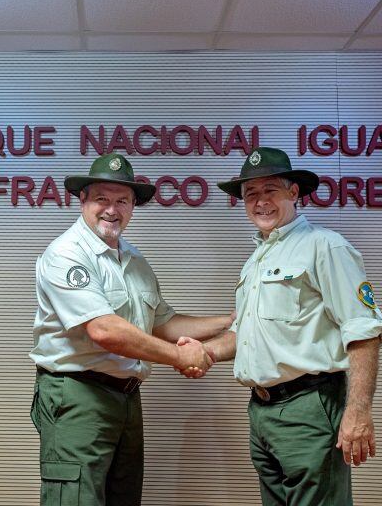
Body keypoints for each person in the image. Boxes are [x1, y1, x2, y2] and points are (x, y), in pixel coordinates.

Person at [30, 153, 233, 506]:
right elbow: (105, 330)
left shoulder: (134, 259)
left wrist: (232, 319)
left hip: (125, 399)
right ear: (83, 200)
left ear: (133, 206)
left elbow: (164, 322)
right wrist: (181, 357)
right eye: (102, 199)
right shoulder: (66, 254)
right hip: (78, 396)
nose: (112, 209)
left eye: (122, 200)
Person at [198, 147, 382, 505]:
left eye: (270, 190)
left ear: (293, 192)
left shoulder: (325, 247)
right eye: (250, 194)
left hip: (309, 408)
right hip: (262, 414)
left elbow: (364, 331)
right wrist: (205, 352)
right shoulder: (255, 260)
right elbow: (247, 336)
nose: (260, 202)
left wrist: (358, 411)